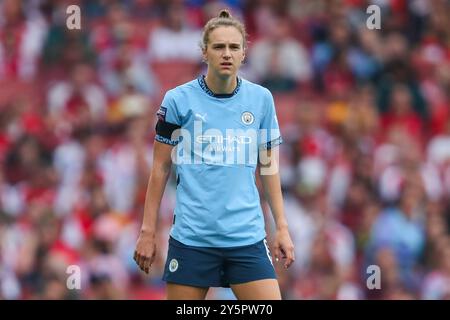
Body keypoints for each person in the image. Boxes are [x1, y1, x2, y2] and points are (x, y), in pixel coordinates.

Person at [134, 9, 295, 300]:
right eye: (219, 46)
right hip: (192, 240)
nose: (227, 54)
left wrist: (281, 228)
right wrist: (148, 231)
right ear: (204, 51)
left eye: (234, 47)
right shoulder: (177, 100)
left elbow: (269, 167)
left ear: (244, 53)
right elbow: (159, 168)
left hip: (246, 238)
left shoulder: (261, 100)